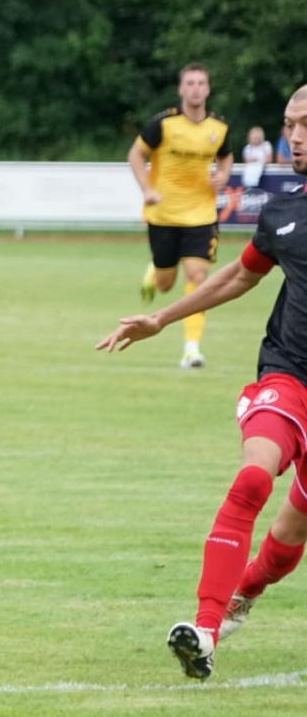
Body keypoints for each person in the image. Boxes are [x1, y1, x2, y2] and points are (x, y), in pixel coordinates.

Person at [99, 84, 307, 680]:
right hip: (288, 375)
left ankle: (244, 594)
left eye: (305, 126)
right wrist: (162, 319)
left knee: (287, 538)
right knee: (252, 476)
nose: (293, 137)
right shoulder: (284, 212)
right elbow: (239, 276)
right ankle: (205, 629)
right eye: (289, 124)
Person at [127, 62, 231, 369]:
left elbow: (226, 156)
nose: (196, 89)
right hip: (164, 215)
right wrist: (147, 189)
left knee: (197, 277)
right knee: (165, 284)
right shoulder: (163, 124)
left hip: (201, 215)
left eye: (201, 83)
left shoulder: (218, 128)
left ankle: (191, 349)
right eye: (190, 83)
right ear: (181, 89)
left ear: (208, 89)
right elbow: (135, 154)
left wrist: (223, 175)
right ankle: (155, 272)